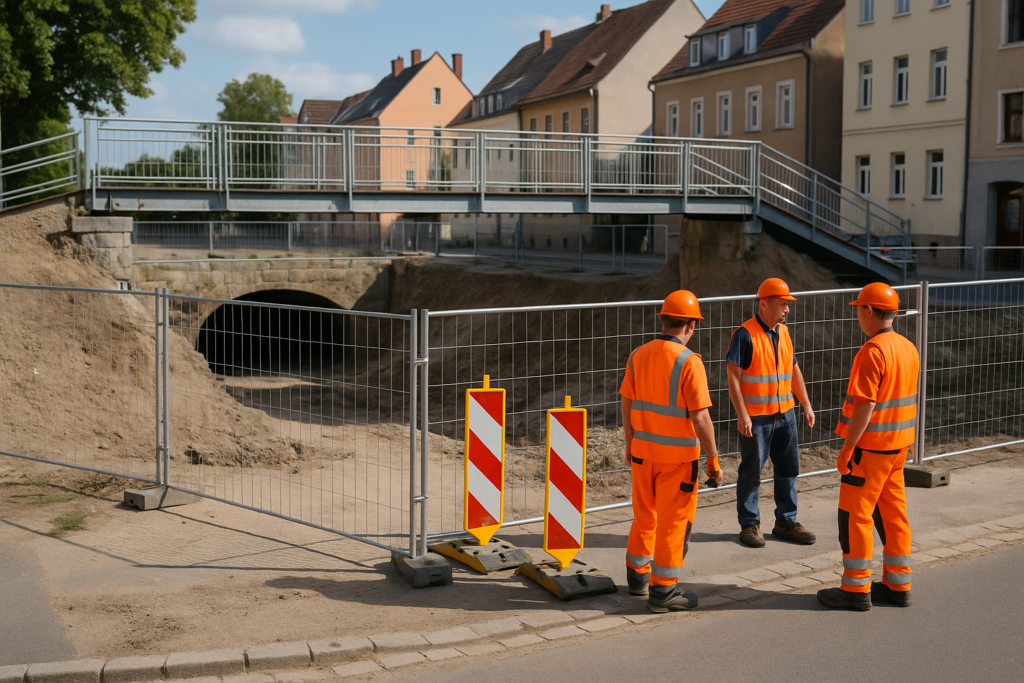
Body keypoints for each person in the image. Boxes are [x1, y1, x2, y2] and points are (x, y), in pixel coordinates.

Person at [817, 283, 919, 611]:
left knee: (855, 516)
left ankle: (856, 589)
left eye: (859, 309)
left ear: (870, 311)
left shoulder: (873, 351)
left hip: (870, 450)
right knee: (893, 514)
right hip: (898, 447)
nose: (858, 315)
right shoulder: (907, 347)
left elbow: (865, 405)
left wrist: (847, 449)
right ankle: (897, 584)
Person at [620, 290, 723, 613]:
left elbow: (626, 399)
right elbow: (701, 417)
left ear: (663, 320)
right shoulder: (689, 362)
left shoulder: (638, 354)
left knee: (644, 515)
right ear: (691, 325)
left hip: (642, 453)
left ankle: (638, 576)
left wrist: (629, 440)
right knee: (674, 523)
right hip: (678, 460)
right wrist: (713, 458)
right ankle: (663, 592)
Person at [726, 278, 816, 548]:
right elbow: (732, 376)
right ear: (763, 304)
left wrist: (806, 404)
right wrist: (742, 415)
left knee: (789, 469)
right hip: (757, 419)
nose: (787, 309)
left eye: (788, 304)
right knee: (752, 471)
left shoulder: (784, 333)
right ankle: (750, 524)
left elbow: (793, 369)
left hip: (785, 415)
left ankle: (786, 522)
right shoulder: (744, 334)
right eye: (782, 304)